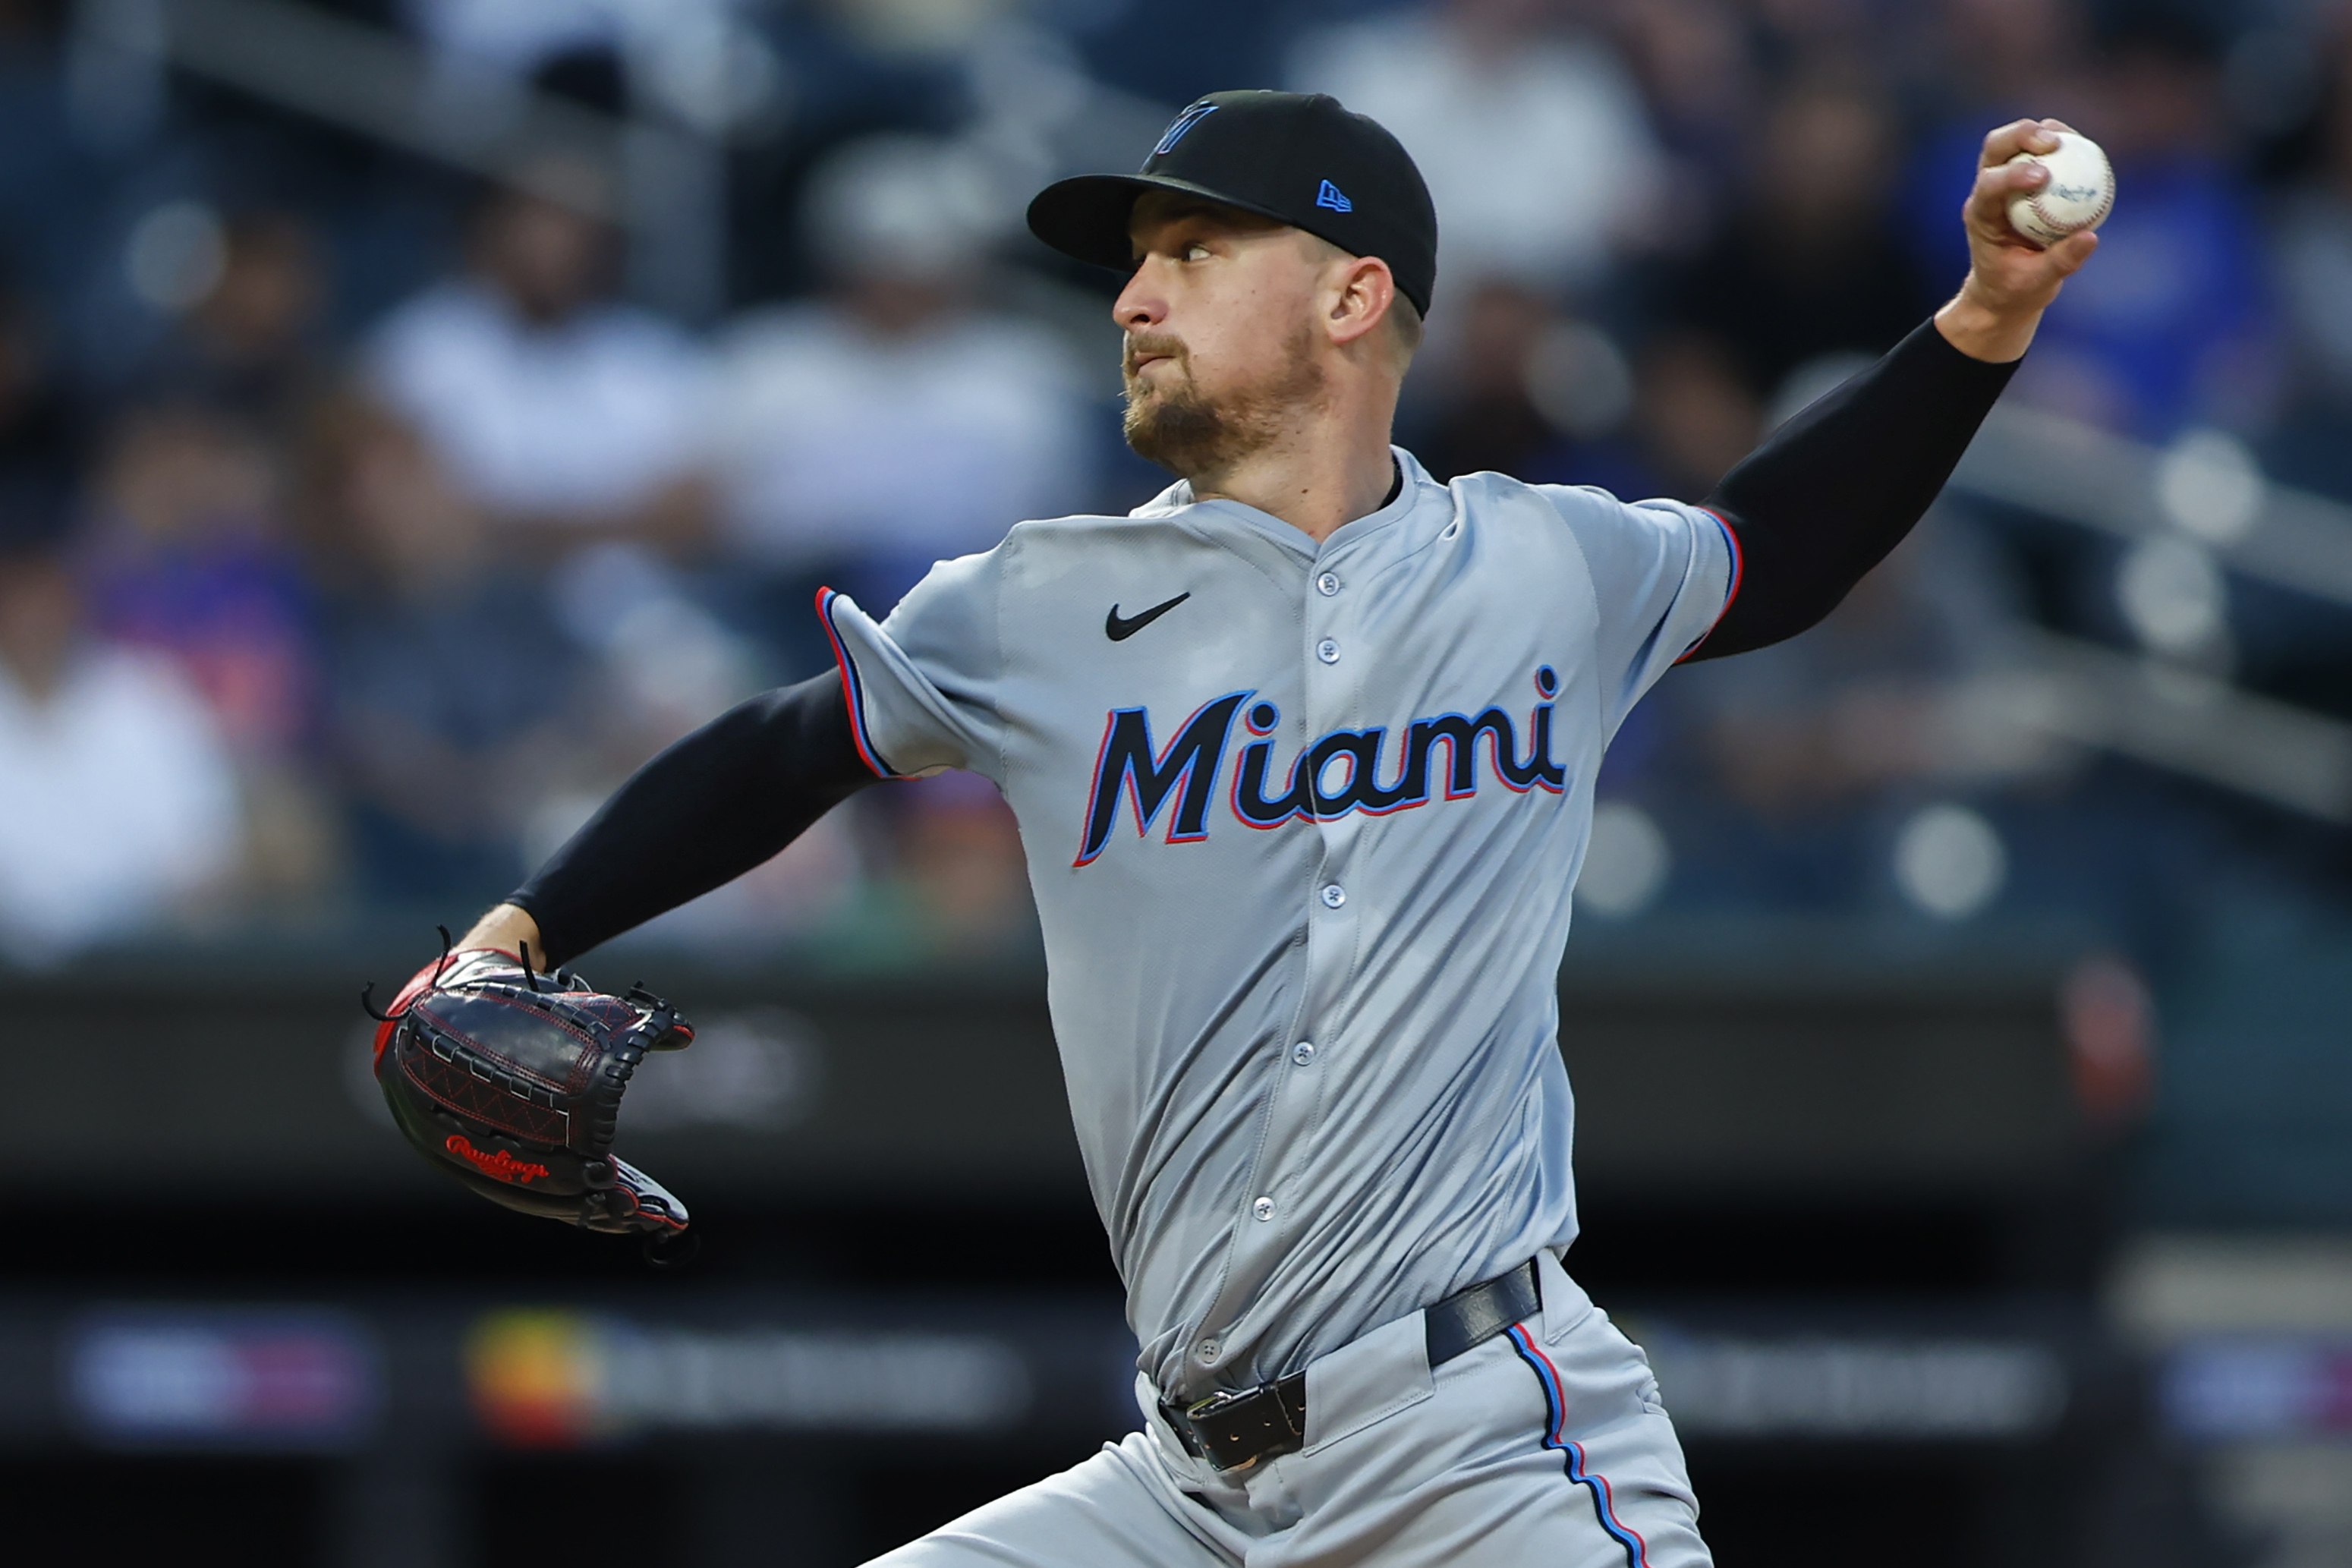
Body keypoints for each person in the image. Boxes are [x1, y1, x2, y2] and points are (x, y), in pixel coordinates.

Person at [415, 92, 2095, 1566]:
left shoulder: (1544, 569)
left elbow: (1776, 550)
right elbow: (785, 746)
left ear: (1353, 295)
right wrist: (517, 935)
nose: (1135, 296)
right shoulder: (1034, 607)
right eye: (1136, 260)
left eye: (1197, 251)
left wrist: (1978, 321)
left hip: (1476, 1450)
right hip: (1186, 1484)